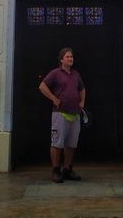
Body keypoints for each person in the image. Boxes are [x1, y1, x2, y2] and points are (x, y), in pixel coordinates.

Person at [38, 47, 86, 183]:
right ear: (61, 60)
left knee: (71, 144)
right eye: (67, 57)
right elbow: (42, 86)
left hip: (75, 114)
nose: (70, 59)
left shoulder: (76, 74)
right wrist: (54, 98)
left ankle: (67, 170)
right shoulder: (55, 73)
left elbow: (82, 89)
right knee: (57, 143)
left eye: (71, 57)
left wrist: (82, 101)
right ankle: (55, 170)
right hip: (60, 114)